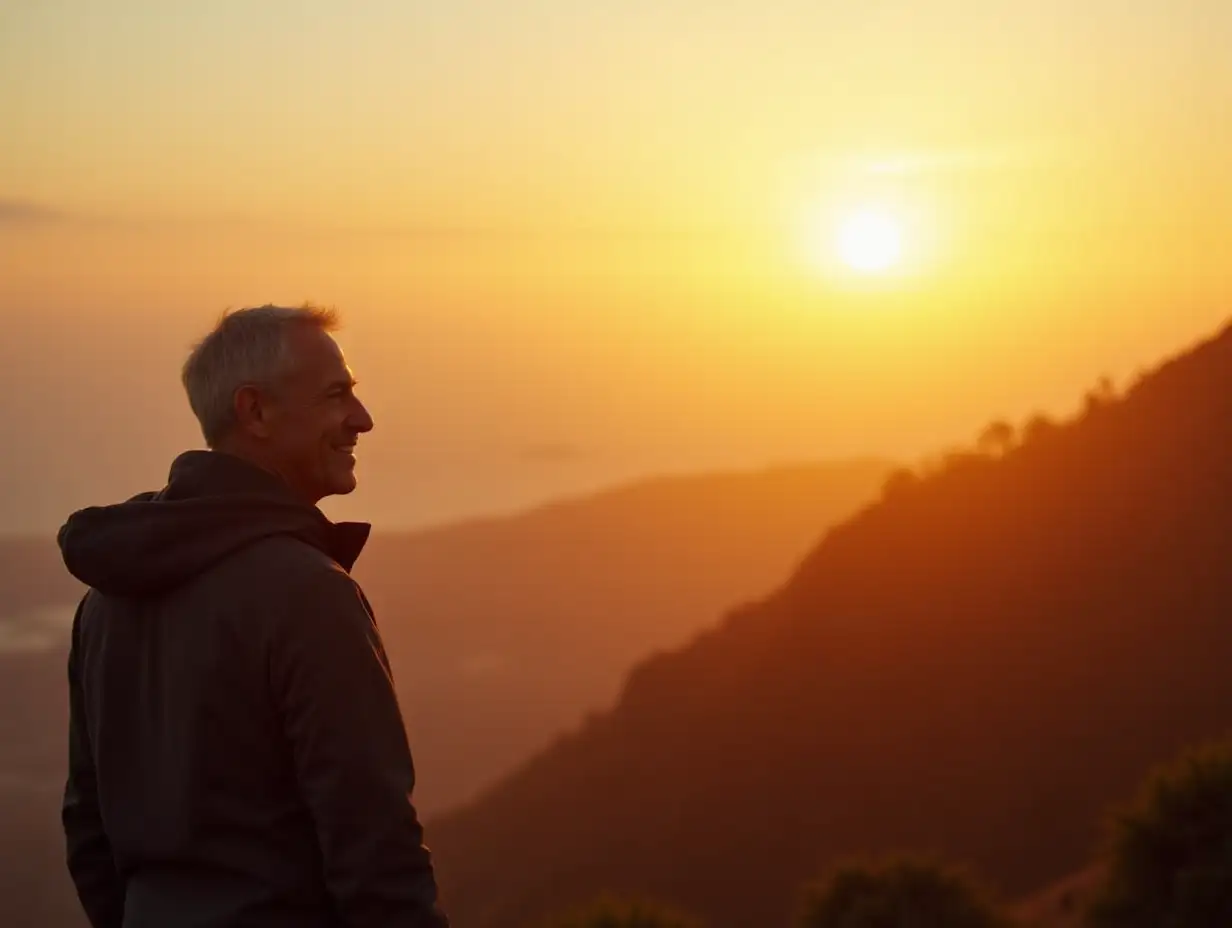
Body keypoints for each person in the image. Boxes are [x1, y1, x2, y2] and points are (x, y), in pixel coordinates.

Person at [57, 305, 449, 928]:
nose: (362, 419)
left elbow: (88, 827)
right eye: (336, 395)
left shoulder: (103, 602)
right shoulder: (308, 596)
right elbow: (373, 844)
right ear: (255, 411)